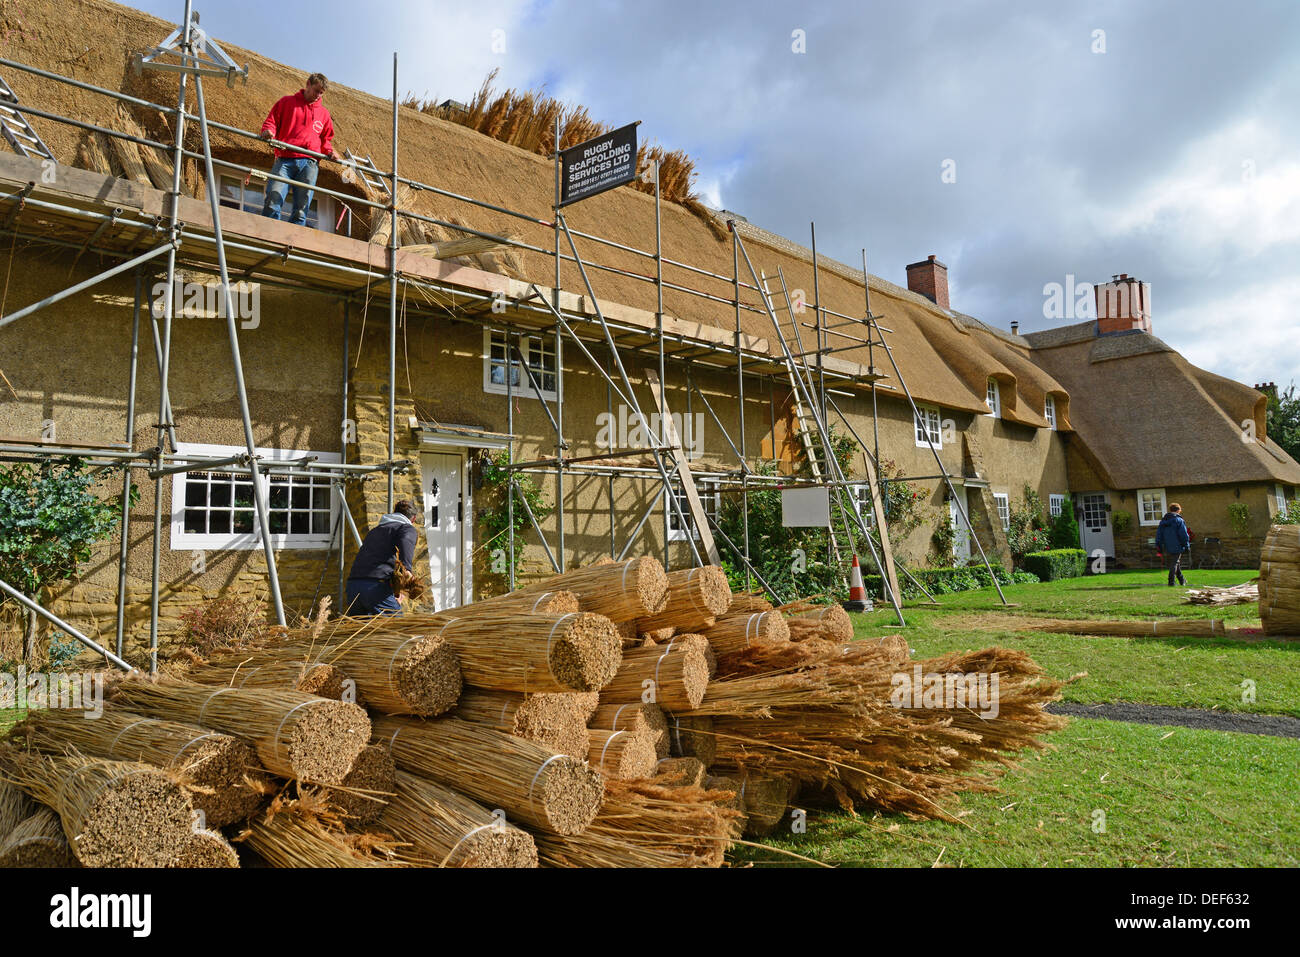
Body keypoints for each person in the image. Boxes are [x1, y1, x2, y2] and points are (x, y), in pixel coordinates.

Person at [259, 73, 342, 226]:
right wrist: (268, 131)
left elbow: (325, 140)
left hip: (310, 164)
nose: (318, 95)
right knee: (273, 198)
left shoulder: (324, 114)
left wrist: (329, 151)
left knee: (302, 209)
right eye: (316, 90)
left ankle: (293, 244)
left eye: (321, 93)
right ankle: (269, 236)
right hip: (285, 158)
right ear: (308, 84)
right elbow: (271, 122)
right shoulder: (286, 102)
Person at [345, 500, 420, 616]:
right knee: (399, 629)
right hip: (374, 588)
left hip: (353, 586)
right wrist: (408, 570)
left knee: (362, 632)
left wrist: (393, 593)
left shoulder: (374, 531)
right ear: (413, 519)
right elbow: (406, 540)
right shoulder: (406, 528)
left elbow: (378, 561)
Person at [1155, 502, 1191, 587]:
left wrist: (1158, 545)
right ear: (1178, 510)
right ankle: (1171, 582)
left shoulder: (1163, 521)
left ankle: (1182, 580)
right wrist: (1186, 545)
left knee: (1175, 563)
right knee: (1174, 563)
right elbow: (1183, 534)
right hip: (1177, 544)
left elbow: (1159, 534)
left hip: (1166, 545)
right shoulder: (1179, 520)